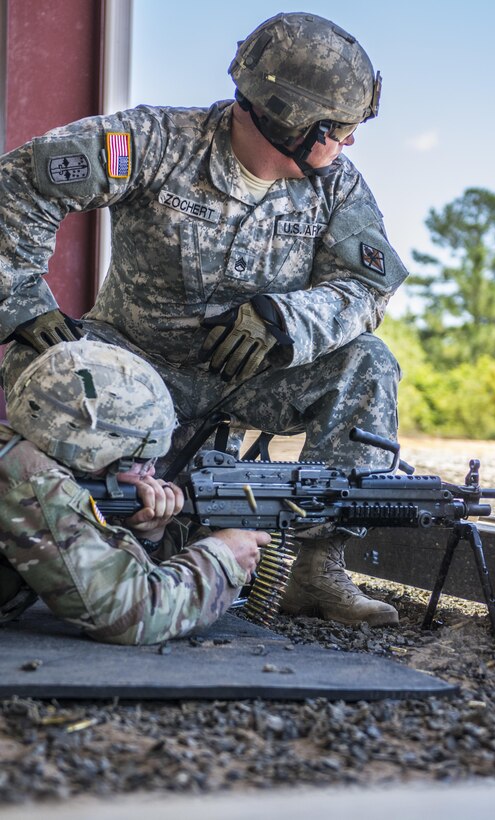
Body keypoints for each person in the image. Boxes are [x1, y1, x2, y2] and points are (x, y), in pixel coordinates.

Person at [0, 12, 405, 626]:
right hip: (130, 374)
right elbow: (24, 181)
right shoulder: (157, 142)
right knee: (48, 365)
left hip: (250, 378)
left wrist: (289, 320)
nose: (349, 144)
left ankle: (312, 567)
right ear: (290, 120)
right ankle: (87, 545)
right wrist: (21, 296)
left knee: (369, 364)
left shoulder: (336, 188)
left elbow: (369, 285)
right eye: (341, 129)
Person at [0, 340, 269, 644]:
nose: (151, 473)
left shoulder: (15, 455)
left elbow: (94, 574)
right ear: (91, 450)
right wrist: (222, 558)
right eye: (141, 461)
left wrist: (146, 537)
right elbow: (130, 615)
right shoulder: (27, 476)